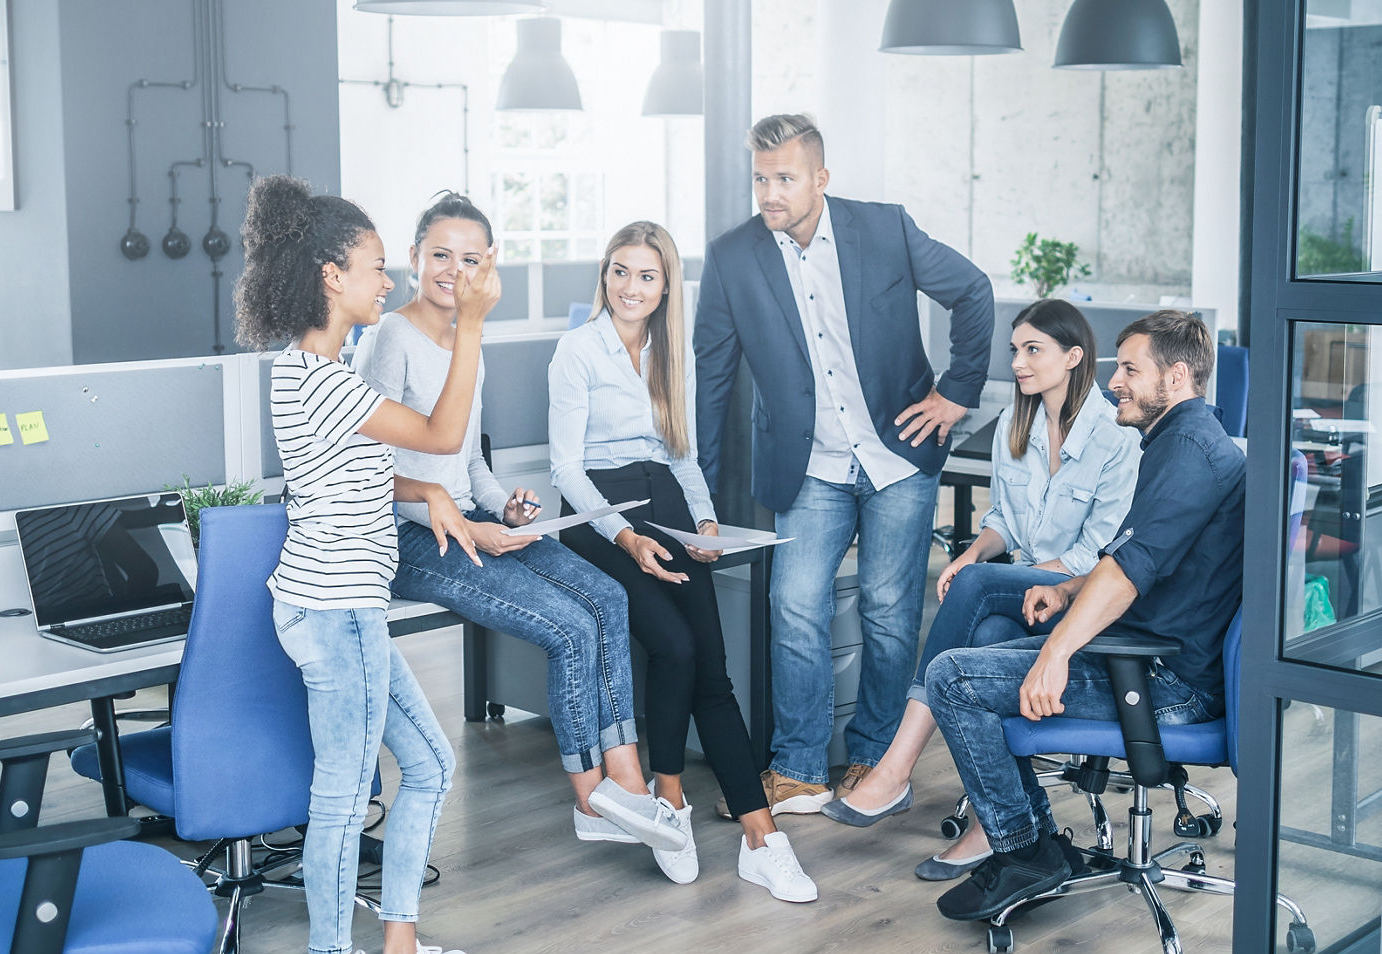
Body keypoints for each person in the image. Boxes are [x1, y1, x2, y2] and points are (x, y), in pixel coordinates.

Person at [234, 174, 501, 954]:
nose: (385, 283)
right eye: (374, 267)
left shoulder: (315, 372)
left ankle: (398, 951)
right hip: (337, 612)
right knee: (345, 800)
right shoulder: (325, 382)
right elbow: (443, 432)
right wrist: (473, 326)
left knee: (429, 764)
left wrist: (429, 493)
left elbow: (368, 467)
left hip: (349, 610)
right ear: (328, 276)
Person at [352, 192, 688, 859]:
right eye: (441, 255)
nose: (455, 269)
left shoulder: (465, 338)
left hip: (468, 519)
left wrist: (503, 508)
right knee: (567, 628)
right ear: (415, 257)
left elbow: (467, 458)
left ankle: (625, 774)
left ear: (489, 265)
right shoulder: (391, 337)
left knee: (608, 599)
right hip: (405, 536)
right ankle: (590, 798)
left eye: (470, 258)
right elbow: (365, 474)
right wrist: (469, 529)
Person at [693, 113, 994, 816]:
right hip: (810, 466)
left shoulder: (884, 229)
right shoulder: (733, 257)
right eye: (761, 178)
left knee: (890, 610)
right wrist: (700, 495)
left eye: (786, 178)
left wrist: (956, 391)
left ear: (820, 178)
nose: (770, 192)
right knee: (793, 603)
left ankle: (876, 759)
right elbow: (711, 381)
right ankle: (798, 767)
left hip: (898, 454)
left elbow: (973, 292)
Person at [924, 310, 1243, 923]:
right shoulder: (1184, 442)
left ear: (1175, 378)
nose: (1114, 381)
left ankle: (1025, 851)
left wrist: (1055, 653)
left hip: (1163, 681)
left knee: (953, 680)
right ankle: (1037, 848)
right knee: (979, 656)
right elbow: (1130, 558)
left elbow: (1129, 573)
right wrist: (1069, 589)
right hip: (1148, 654)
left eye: (1130, 369)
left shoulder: (1188, 453)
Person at [823, 299, 1141, 882]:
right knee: (984, 636)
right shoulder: (1015, 427)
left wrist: (995, 576)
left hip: (1081, 601)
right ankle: (995, 825)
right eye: (1014, 350)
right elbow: (1002, 519)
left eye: (1032, 350)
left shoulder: (1116, 437)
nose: (1017, 363)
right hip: (1016, 595)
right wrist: (972, 553)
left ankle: (896, 766)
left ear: (1074, 357)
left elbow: (1098, 553)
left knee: (979, 589)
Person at [548, 220, 818, 902]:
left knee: (713, 672)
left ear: (667, 285)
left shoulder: (674, 355)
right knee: (672, 646)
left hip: (664, 501)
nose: (630, 287)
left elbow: (682, 455)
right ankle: (670, 799)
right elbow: (566, 469)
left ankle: (763, 841)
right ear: (604, 274)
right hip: (596, 513)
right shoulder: (576, 351)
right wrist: (623, 536)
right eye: (619, 271)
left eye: (646, 275)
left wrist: (702, 522)